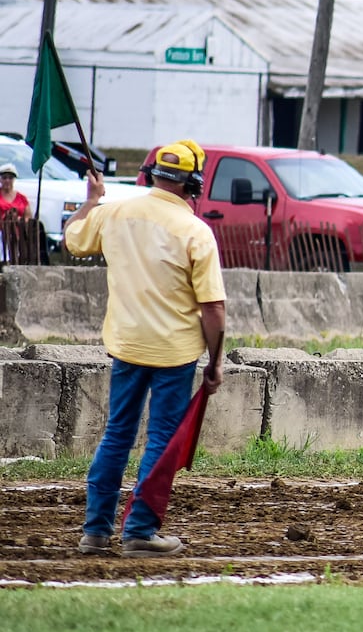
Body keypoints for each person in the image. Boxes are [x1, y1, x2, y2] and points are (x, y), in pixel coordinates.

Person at [65, 141, 226, 558]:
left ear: (149, 174)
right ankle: (139, 531)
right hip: (174, 353)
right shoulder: (195, 232)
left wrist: (92, 202)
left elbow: (73, 239)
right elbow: (213, 310)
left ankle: (95, 532)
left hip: (127, 345)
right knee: (161, 440)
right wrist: (215, 361)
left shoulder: (115, 213)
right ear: (194, 184)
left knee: (117, 434)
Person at [0, 162, 28, 262]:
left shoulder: (21, 198)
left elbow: (28, 216)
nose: (7, 180)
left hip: (17, 234)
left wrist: (20, 220)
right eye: (4, 177)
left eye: (10, 178)